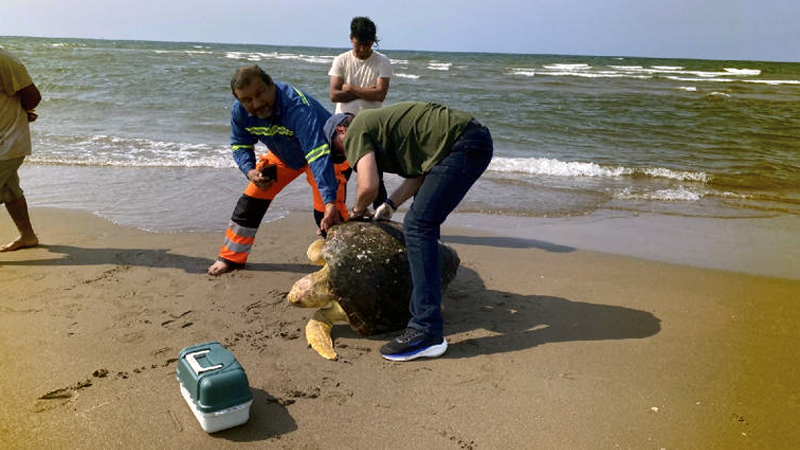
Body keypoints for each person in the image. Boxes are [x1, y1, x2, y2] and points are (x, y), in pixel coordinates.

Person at [323, 102, 493, 361]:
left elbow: (367, 187)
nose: (347, 160)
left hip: (463, 143)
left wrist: (356, 212)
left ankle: (427, 331)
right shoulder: (382, 129)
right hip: (468, 141)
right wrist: (391, 204)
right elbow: (423, 174)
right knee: (422, 220)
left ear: (342, 130)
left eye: (340, 151)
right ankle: (429, 298)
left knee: (417, 225)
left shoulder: (356, 128)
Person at [207, 65, 349, 276]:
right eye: (246, 100)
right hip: (285, 156)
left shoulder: (297, 107)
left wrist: (329, 201)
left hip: (324, 155)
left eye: (259, 94)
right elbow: (240, 145)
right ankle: (231, 258)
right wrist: (249, 171)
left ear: (271, 84)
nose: (255, 104)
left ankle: (343, 264)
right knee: (251, 199)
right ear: (238, 99)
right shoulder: (240, 112)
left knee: (327, 213)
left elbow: (317, 155)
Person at [0, 48, 41, 252]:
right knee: (10, 190)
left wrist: (23, 109)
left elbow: (33, 97)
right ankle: (28, 236)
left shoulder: (4, 59)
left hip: (7, 140)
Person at [328, 16, 392, 116]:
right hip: (343, 119)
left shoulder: (382, 61)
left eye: (367, 45)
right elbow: (334, 95)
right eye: (358, 44)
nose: (362, 49)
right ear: (351, 38)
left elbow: (380, 95)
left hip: (371, 120)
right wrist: (367, 92)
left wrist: (350, 88)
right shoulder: (341, 60)